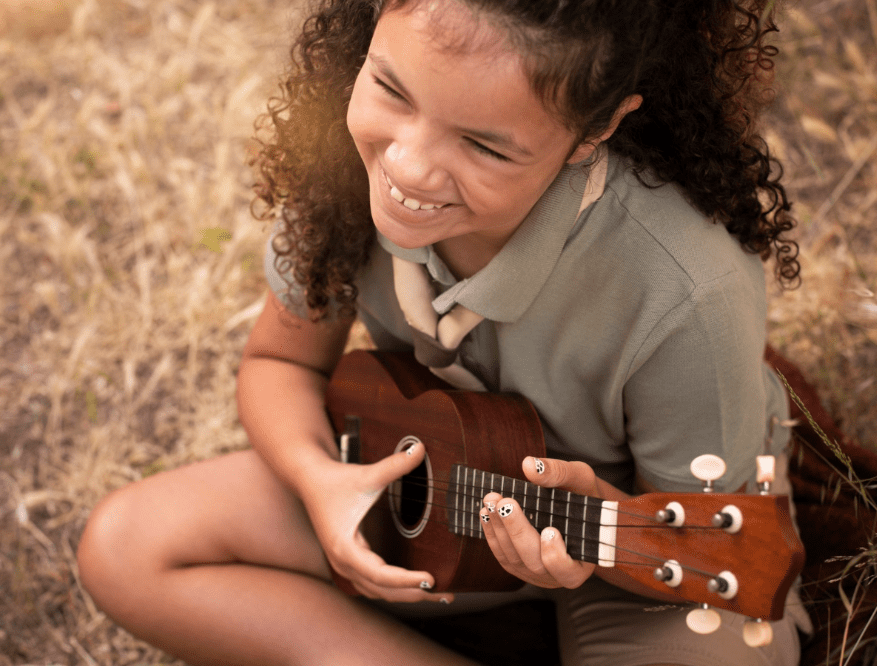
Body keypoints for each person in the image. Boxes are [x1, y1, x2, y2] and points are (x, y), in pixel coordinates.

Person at [76, 0, 807, 664]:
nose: (408, 166)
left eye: (485, 146)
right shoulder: (349, 171)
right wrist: (320, 480)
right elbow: (279, 364)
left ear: (596, 129)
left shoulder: (685, 288)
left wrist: (600, 535)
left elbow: (709, 546)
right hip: (423, 497)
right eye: (392, 91)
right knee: (127, 548)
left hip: (626, 556)